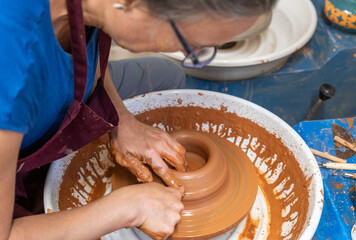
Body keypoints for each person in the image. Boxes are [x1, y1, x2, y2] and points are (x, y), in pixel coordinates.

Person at [0, 0, 276, 239]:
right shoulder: (13, 68)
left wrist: (123, 120)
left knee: (167, 76)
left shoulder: (98, 9)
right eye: (189, 44)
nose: (184, 54)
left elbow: (86, 55)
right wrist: (125, 209)